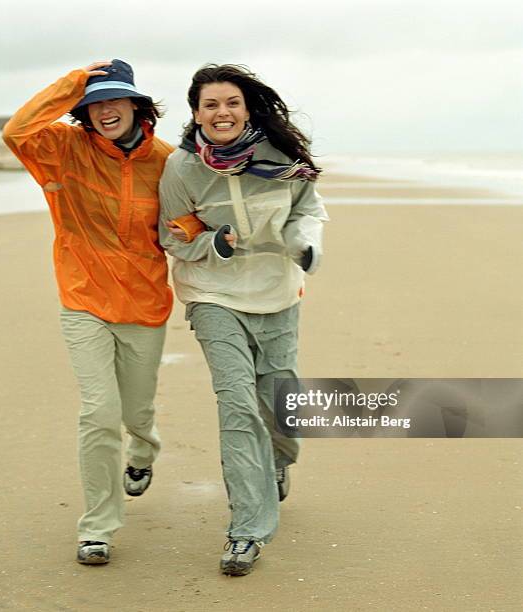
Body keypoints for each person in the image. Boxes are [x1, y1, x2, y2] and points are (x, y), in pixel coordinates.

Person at [3, 59, 178, 565]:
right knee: (99, 413)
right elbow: (17, 130)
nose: (105, 110)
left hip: (144, 303)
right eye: (95, 102)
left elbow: (185, 221)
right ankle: (98, 527)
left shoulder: (166, 162)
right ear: (83, 109)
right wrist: (74, 81)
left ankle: (143, 452)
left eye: (115, 99)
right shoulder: (62, 149)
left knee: (136, 413)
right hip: (83, 299)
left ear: (136, 105)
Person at [159, 64, 329, 576]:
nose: (221, 112)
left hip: (277, 291)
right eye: (210, 105)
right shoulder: (182, 169)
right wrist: (212, 243)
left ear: (247, 107)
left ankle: (279, 460)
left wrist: (304, 244)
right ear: (196, 115)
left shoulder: (283, 158)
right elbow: (172, 237)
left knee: (278, 398)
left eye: (230, 102)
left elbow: (309, 209)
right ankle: (247, 531)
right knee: (237, 405)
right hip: (213, 294)